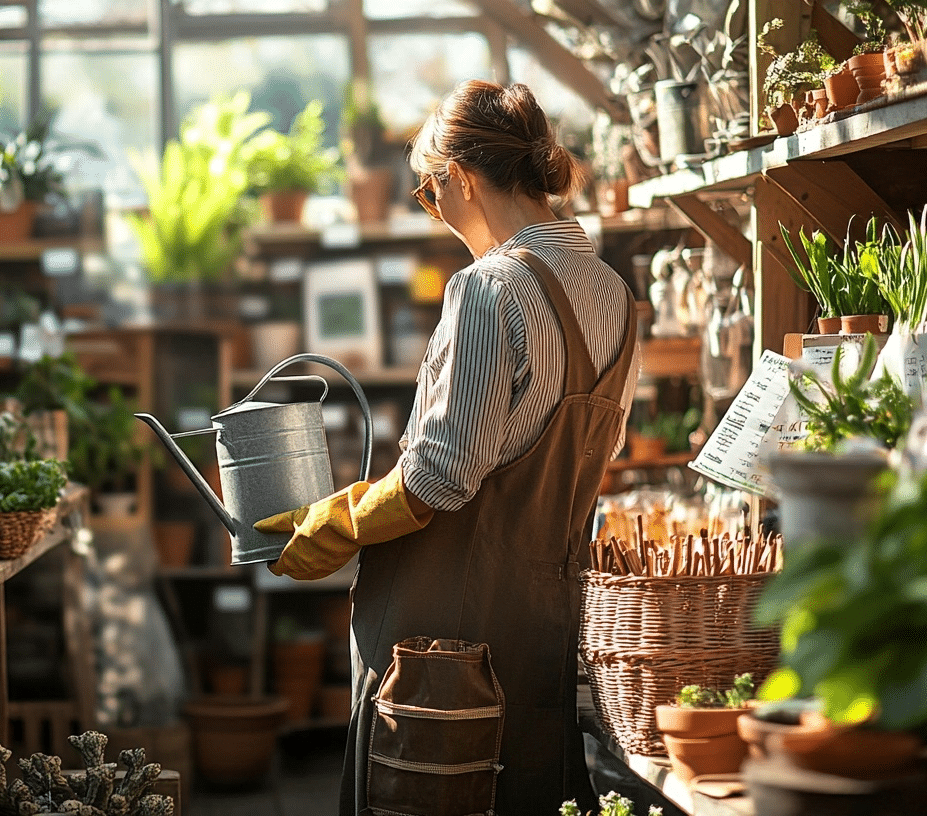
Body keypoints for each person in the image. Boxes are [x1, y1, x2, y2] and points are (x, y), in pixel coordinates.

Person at [254, 79, 640, 816]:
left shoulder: (491, 289)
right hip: (541, 638)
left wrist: (335, 524)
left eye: (430, 191)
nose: (432, 210)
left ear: (461, 177)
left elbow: (440, 477)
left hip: (441, 649)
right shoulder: (615, 295)